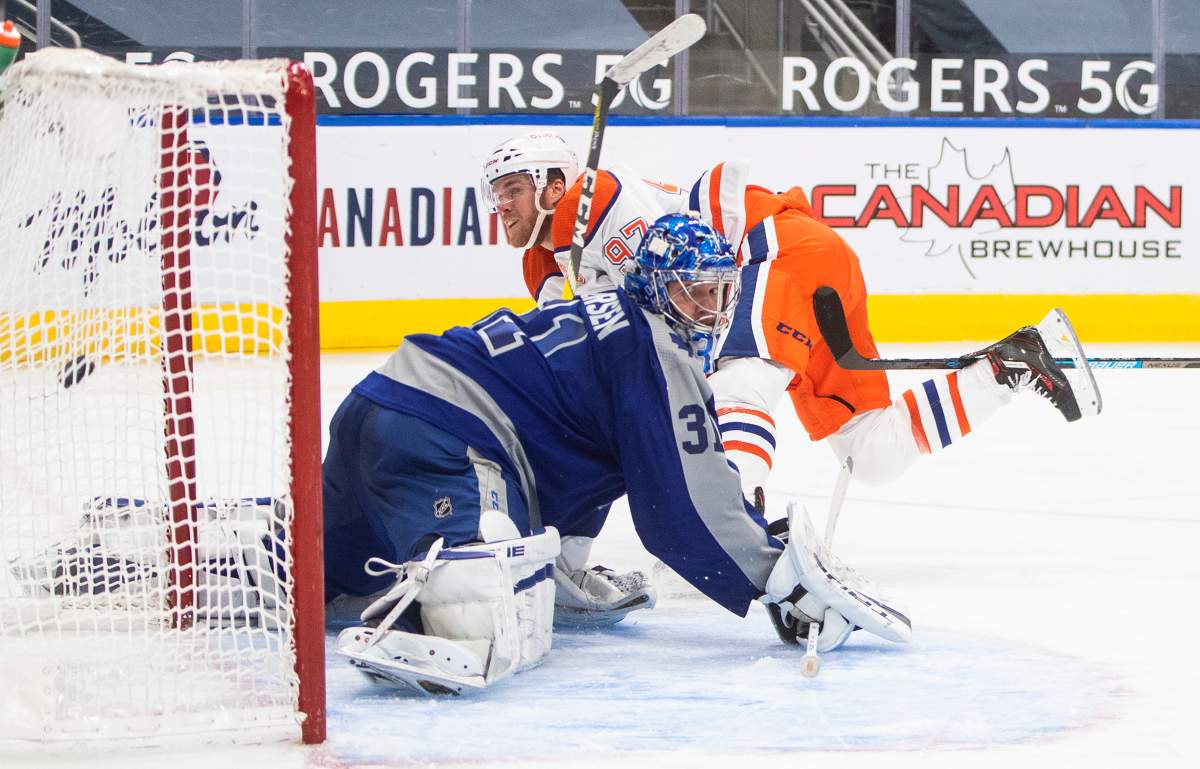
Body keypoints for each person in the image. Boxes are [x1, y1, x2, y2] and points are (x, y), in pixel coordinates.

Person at [323, 214, 910, 694]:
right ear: (657, 288)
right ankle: (430, 611)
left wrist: (561, 567)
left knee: (324, 571)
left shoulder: (609, 319)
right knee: (485, 619)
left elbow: (572, 456)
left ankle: (251, 556)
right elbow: (684, 507)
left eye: (719, 290)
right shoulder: (655, 350)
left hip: (381, 404)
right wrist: (781, 581)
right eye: (694, 291)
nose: (711, 308)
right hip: (445, 438)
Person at [482, 131, 1100, 509]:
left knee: (740, 377)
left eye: (513, 188)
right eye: (495, 193)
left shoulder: (602, 198)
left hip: (775, 248)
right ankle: (1010, 365)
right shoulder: (544, 264)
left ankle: (737, 513)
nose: (500, 204)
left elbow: (691, 293)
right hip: (813, 266)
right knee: (873, 455)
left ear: (557, 183)